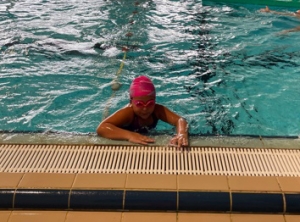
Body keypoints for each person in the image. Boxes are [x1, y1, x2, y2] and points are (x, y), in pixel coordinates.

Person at [97, 75, 189, 148]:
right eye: (139, 104)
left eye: (150, 103)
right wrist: (129, 135)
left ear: (155, 100)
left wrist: (181, 133)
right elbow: (101, 128)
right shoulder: (128, 113)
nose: (145, 109)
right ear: (131, 102)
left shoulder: (157, 110)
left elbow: (180, 120)